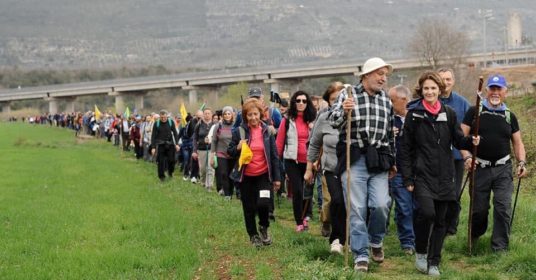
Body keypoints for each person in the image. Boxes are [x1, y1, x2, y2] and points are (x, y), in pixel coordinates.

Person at [399, 71, 479, 276]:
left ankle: (434, 261)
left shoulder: (449, 113)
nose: (429, 91)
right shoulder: (414, 114)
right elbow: (405, 148)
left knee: (442, 220)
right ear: (421, 90)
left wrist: (471, 142)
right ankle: (421, 252)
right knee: (427, 213)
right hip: (422, 174)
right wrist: (407, 177)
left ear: (439, 90)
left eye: (433, 88)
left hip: (445, 175)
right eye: (426, 88)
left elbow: (459, 140)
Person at [328, 57, 395, 272]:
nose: (384, 78)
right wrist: (343, 110)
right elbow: (333, 120)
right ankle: (361, 255)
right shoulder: (348, 95)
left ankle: (376, 240)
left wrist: (392, 161)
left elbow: (389, 134)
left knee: (381, 205)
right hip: (355, 158)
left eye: (385, 75)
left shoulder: (386, 100)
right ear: (366, 75)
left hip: (379, 161)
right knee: (356, 208)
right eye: (380, 74)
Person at [461, 74, 527, 252]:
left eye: (499, 89)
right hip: (479, 167)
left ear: (505, 92)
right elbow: (461, 137)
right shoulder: (474, 112)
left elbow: (518, 143)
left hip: (503, 169)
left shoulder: (509, 116)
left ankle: (500, 248)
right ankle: (474, 236)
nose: (495, 92)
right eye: (492, 89)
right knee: (479, 210)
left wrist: (521, 162)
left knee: (503, 207)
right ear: (486, 91)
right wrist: (467, 157)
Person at [227, 99, 281, 247]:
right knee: (249, 208)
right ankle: (253, 236)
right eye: (249, 115)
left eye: (255, 114)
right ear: (245, 116)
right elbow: (230, 152)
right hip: (246, 177)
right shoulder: (239, 132)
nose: (253, 118)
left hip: (263, 175)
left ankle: (263, 227)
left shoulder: (267, 131)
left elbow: (274, 156)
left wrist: (277, 178)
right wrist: (237, 147)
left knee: (264, 204)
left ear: (260, 114)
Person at [304, 81, 346, 254]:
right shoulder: (323, 119)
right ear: (329, 102)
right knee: (335, 201)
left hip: (352, 169)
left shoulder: (355, 117)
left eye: (341, 98)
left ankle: (348, 238)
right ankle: (336, 237)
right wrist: (308, 169)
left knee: (349, 204)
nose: (338, 102)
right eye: (334, 99)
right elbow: (314, 144)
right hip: (330, 168)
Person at [276, 90, 317, 232]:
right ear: (294, 102)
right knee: (298, 191)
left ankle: (306, 217)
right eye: (298, 101)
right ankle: (299, 221)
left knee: (307, 191)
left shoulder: (313, 120)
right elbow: (280, 142)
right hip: (291, 161)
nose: (301, 103)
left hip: (309, 162)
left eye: (304, 101)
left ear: (308, 103)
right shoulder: (286, 120)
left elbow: (318, 141)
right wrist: (276, 163)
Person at [438, 68, 472, 235]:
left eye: (449, 79)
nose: (446, 82)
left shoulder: (462, 103)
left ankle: (451, 227)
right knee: (438, 191)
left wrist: (468, 155)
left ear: (453, 81)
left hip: (457, 156)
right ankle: (438, 225)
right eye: (442, 79)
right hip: (435, 157)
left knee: (454, 192)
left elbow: (469, 130)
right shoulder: (429, 99)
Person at [387, 85, 415, 255]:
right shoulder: (388, 119)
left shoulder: (416, 117)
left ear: (404, 100)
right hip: (395, 169)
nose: (388, 103)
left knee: (414, 207)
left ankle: (417, 238)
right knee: (403, 205)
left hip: (416, 169)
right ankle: (407, 242)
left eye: (392, 100)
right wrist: (388, 133)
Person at [210, 106, 236, 200]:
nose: (227, 115)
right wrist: (212, 155)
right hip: (221, 154)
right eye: (225, 114)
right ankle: (227, 194)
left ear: (232, 115)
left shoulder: (236, 126)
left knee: (231, 175)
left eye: (229, 113)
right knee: (224, 174)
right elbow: (214, 141)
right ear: (223, 115)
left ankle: (231, 191)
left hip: (233, 154)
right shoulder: (218, 126)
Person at [150, 110, 180, 181]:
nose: (163, 119)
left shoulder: (170, 122)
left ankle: (170, 172)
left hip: (170, 144)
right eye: (162, 117)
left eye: (164, 117)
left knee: (171, 160)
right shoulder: (156, 123)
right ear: (160, 117)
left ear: (167, 116)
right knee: (160, 161)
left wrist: (177, 144)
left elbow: (175, 133)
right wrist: (153, 147)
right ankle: (161, 177)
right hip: (161, 145)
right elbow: (153, 136)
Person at [192, 108, 215, 191]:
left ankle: (209, 186)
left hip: (212, 149)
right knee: (203, 169)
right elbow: (195, 138)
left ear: (211, 115)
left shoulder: (214, 125)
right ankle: (203, 182)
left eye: (209, 113)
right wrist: (194, 150)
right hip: (201, 149)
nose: (207, 115)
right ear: (203, 115)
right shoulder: (199, 124)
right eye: (205, 113)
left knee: (210, 168)